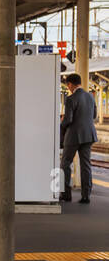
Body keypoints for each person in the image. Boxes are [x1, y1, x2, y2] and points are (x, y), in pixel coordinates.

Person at [59, 73, 97, 205]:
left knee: (65, 163)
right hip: (89, 135)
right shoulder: (90, 97)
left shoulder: (71, 98)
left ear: (70, 84)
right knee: (86, 165)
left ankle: (66, 194)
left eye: (68, 85)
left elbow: (68, 120)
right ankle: (86, 195)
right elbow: (94, 115)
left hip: (74, 136)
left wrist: (61, 123)